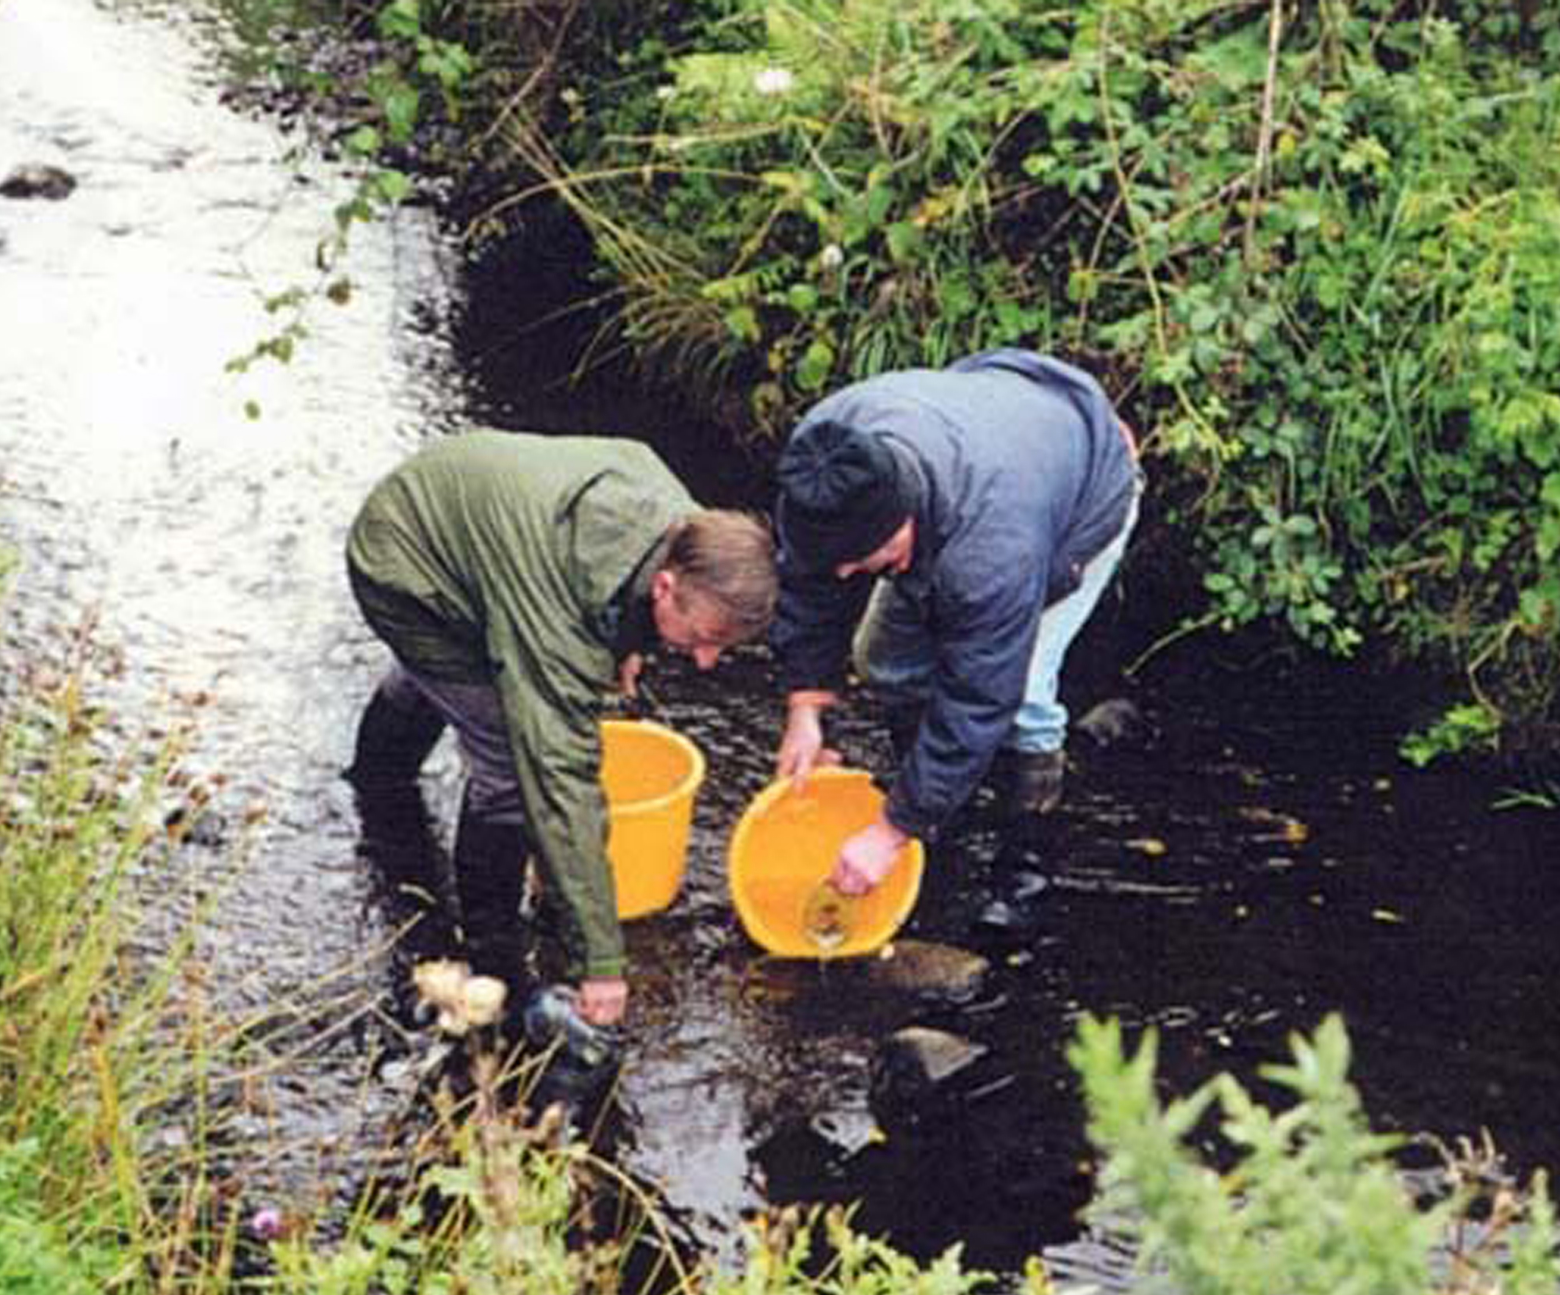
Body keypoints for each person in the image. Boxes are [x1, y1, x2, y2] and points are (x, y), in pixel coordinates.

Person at [345, 427, 776, 1030]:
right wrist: (600, 961)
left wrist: (631, 639)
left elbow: (633, 491)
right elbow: (561, 782)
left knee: (468, 677)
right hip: (402, 562)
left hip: (463, 526)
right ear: (666, 587)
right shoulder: (554, 617)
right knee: (506, 761)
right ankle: (493, 955)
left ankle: (376, 777)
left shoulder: (687, 530)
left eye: (721, 647)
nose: (706, 661)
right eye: (703, 640)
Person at [770, 348, 1141, 927]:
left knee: (1022, 699)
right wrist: (806, 705)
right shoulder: (826, 454)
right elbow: (808, 581)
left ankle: (1025, 868)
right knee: (883, 658)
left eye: (861, 562)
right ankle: (943, 814)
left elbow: (980, 694)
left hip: (1084, 491)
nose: (844, 577)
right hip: (998, 418)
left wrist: (889, 832)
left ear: (903, 522)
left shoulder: (992, 553)